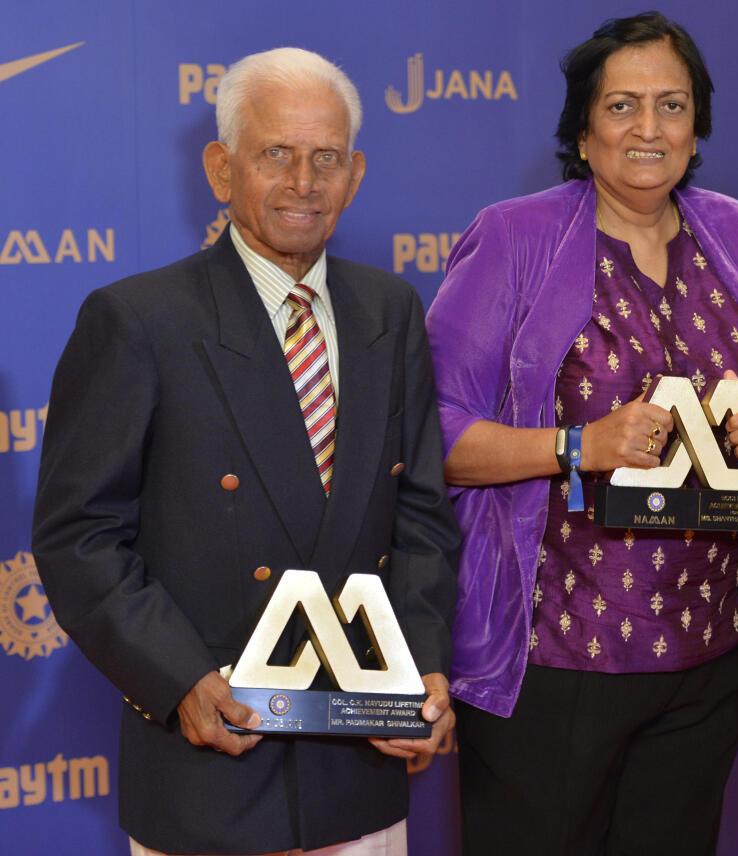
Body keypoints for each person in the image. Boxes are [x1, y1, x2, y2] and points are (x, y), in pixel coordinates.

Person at [31, 47, 459, 856]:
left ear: (355, 173)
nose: (304, 181)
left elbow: (422, 516)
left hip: (360, 762)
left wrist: (424, 665)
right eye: (276, 154)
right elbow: (77, 535)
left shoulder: (392, 311)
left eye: (325, 157)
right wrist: (176, 681)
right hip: (210, 761)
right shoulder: (138, 321)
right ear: (221, 168)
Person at [425, 12, 738, 855]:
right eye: (622, 106)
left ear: (697, 124)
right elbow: (435, 430)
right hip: (557, 657)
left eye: (672, 106)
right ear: (582, 126)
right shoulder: (514, 237)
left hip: (713, 650)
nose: (649, 129)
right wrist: (576, 446)